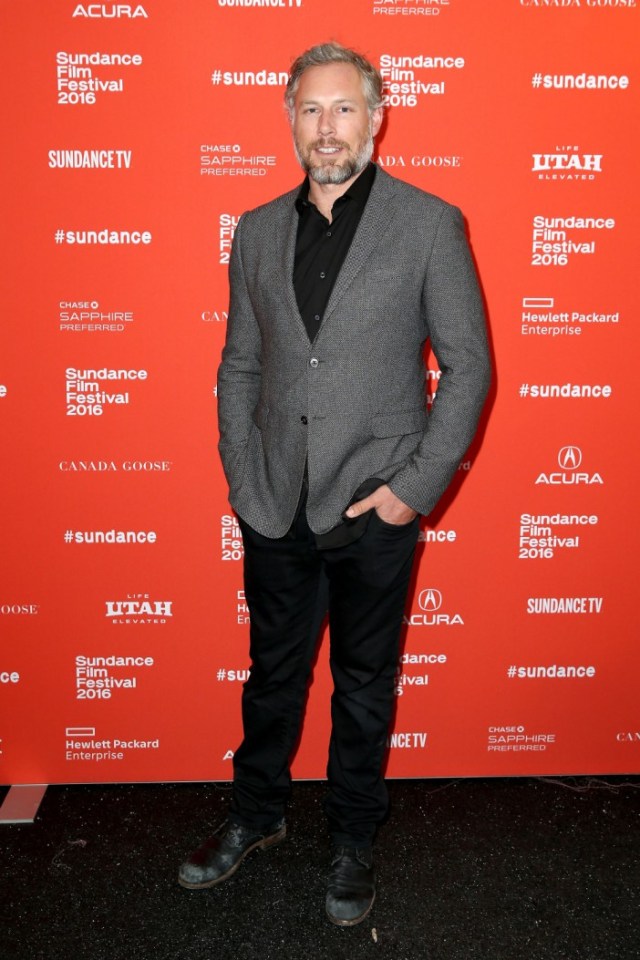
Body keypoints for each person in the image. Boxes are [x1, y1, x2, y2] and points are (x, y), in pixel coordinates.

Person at [179, 41, 491, 926]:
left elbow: (468, 368)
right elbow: (240, 364)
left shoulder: (430, 224)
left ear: (378, 116)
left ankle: (353, 839)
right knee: (271, 678)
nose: (328, 129)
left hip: (374, 503)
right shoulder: (258, 231)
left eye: (345, 109)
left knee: (363, 683)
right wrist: (244, 472)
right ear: (289, 119)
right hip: (275, 499)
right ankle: (256, 816)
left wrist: (412, 488)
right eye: (311, 111)